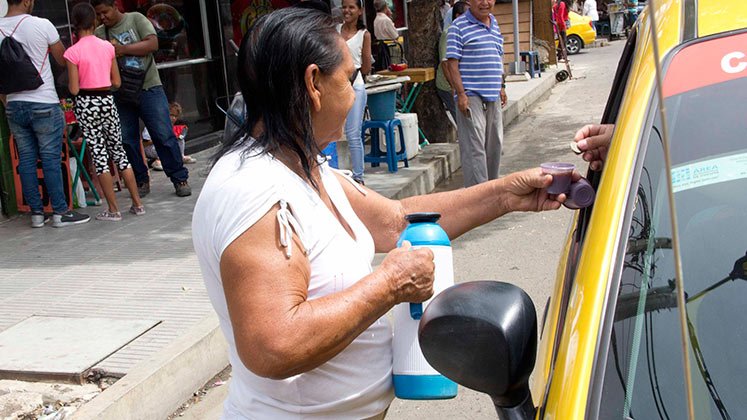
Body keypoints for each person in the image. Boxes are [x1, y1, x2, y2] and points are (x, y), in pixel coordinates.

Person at [192, 8, 573, 418]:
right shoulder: (252, 190)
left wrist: (507, 195)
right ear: (313, 83)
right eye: (351, 78)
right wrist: (388, 285)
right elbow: (274, 344)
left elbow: (396, 221)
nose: (358, 94)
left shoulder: (304, 166)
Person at [0, 0, 90, 228]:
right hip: (43, 102)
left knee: (27, 159)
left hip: (13, 104)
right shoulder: (42, 24)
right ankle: (60, 212)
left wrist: (7, 101)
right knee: (50, 158)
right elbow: (63, 60)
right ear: (27, 1)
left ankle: (37, 214)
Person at [91, 0, 191, 198]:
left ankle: (179, 178)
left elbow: (152, 44)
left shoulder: (135, 19)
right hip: (119, 92)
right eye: (98, 14)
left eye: (105, 12)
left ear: (115, 6)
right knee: (127, 139)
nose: (103, 17)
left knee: (163, 134)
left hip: (148, 87)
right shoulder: (99, 33)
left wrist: (122, 49)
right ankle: (140, 180)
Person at [64, 3, 144, 221]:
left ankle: (113, 209)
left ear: (75, 25)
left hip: (87, 103)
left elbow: (73, 89)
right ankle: (137, 204)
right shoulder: (108, 47)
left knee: (99, 155)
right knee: (119, 152)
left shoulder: (72, 52)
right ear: (94, 21)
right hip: (107, 100)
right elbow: (117, 82)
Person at [446, 0, 507, 188]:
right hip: (470, 94)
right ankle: (477, 193)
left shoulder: (494, 23)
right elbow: (452, 64)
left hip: (493, 92)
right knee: (475, 146)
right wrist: (461, 94)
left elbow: (498, 56)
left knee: (495, 144)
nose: (485, 3)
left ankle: (491, 188)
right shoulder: (458, 27)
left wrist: (502, 85)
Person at [339, 0, 371, 184]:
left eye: (351, 7)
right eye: (344, 7)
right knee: (331, 132)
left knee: (353, 134)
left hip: (355, 86)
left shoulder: (364, 35)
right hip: (335, 87)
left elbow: (366, 67)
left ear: (360, 11)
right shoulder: (335, 30)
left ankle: (358, 177)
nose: (347, 10)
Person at [436, 1, 469, 122]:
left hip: (460, 84)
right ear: (458, 16)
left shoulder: (464, 32)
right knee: (462, 119)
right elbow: (445, 63)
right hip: (447, 85)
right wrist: (454, 87)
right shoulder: (448, 33)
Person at [143, 102, 196, 171]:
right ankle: (157, 161)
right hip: (151, 148)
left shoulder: (170, 125)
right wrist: (159, 139)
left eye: (176, 116)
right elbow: (144, 143)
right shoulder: (154, 124)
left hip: (164, 146)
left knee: (180, 139)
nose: (173, 118)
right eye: (171, 115)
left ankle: (180, 156)